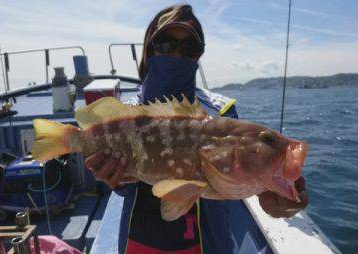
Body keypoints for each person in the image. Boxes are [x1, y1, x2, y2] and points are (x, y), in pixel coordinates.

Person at [84, 5, 308, 254]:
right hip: (138, 241)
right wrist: (116, 181)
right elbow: (125, 184)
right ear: (150, 48)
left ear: (198, 56)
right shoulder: (125, 116)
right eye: (166, 43)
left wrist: (278, 195)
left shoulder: (221, 112)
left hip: (207, 245)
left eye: (189, 47)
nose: (177, 54)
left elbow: (241, 175)